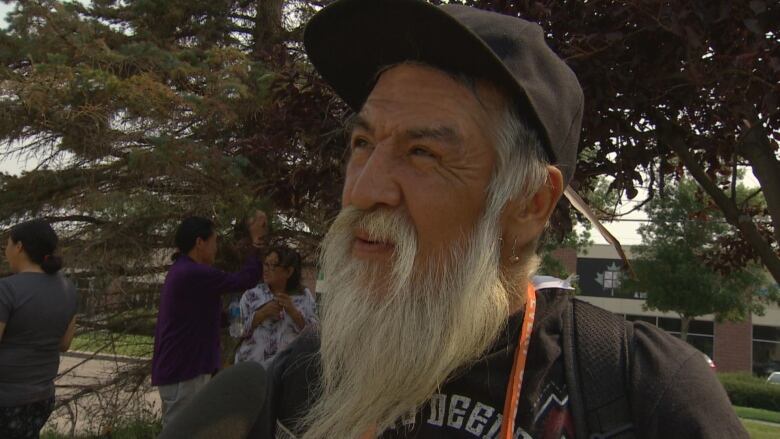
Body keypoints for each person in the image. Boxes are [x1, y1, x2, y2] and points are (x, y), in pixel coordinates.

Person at [253, 1, 748, 438]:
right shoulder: (302, 380)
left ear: (531, 200)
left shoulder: (643, 391)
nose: (362, 189)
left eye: (422, 153)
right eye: (362, 144)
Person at [151, 212, 266, 426]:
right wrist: (256, 241)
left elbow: (195, 316)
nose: (216, 248)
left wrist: (228, 318)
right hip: (184, 372)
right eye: (214, 242)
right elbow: (245, 279)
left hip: (185, 369)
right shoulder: (192, 273)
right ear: (199, 242)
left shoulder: (185, 271)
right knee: (184, 431)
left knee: (190, 430)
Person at [0, 220, 78, 439]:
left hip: (6, 399)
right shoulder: (68, 289)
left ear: (19, 247)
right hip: (41, 399)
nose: (6, 251)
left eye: (7, 244)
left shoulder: (7, 290)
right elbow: (64, 343)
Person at [234, 246, 317, 367]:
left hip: (287, 370)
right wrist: (261, 314)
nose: (266, 270)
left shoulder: (304, 296)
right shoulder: (251, 295)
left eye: (272, 265)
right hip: (252, 368)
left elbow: (314, 334)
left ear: (288, 272)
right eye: (265, 264)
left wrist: (294, 312)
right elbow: (237, 332)